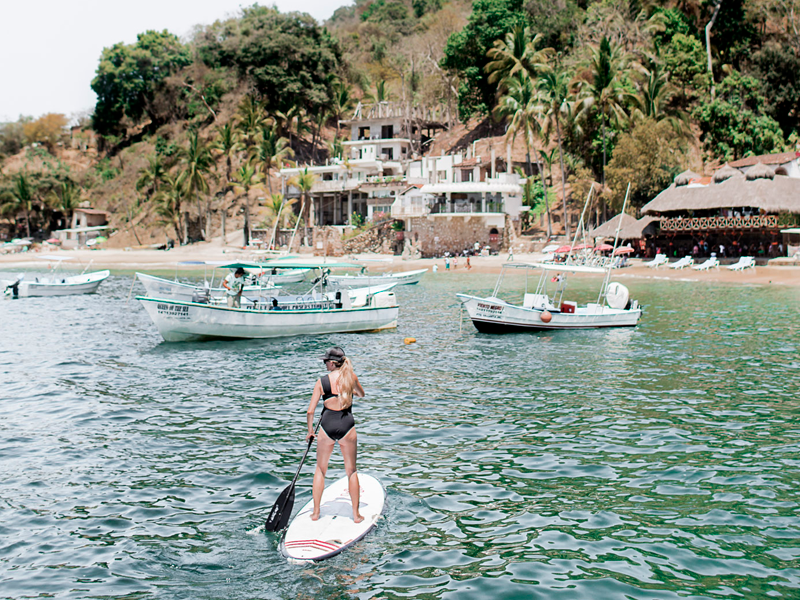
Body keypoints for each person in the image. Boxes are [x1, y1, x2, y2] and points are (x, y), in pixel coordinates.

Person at [306, 347, 366, 523]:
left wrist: (310, 432)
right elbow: (361, 394)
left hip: (327, 425)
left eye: (326, 361)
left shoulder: (322, 381)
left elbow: (310, 412)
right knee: (351, 471)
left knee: (320, 469)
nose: (325, 364)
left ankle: (316, 513)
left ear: (332, 363)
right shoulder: (351, 378)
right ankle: (356, 515)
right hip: (347, 424)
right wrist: (350, 391)